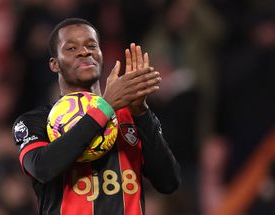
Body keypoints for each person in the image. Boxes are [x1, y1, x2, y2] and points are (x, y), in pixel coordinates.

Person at [12, 18, 181, 215]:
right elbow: (43, 168)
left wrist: (141, 113)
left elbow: (168, 182)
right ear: (54, 64)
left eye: (92, 45)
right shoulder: (36, 121)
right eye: (71, 48)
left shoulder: (131, 116)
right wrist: (105, 107)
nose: (85, 51)